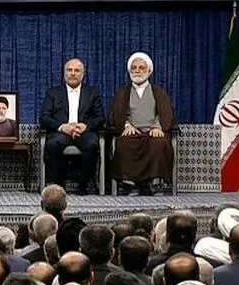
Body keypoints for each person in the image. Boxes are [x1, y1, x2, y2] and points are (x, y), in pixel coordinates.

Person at [108, 52, 177, 196]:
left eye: (141, 68)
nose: (137, 71)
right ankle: (131, 184)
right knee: (124, 144)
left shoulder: (159, 93)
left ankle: (154, 183)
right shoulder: (122, 93)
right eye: (134, 68)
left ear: (149, 71)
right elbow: (117, 115)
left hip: (153, 131)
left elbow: (165, 113)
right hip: (132, 132)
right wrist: (127, 125)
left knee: (158, 144)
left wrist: (158, 126)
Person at [39, 59, 104, 194]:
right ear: (64, 73)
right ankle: (58, 185)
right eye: (69, 70)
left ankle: (83, 185)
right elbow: (44, 118)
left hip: (84, 132)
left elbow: (100, 118)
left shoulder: (92, 93)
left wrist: (85, 126)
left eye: (77, 70)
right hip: (61, 132)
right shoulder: (53, 93)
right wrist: (62, 127)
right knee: (52, 144)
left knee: (92, 144)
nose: (73, 73)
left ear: (83, 74)